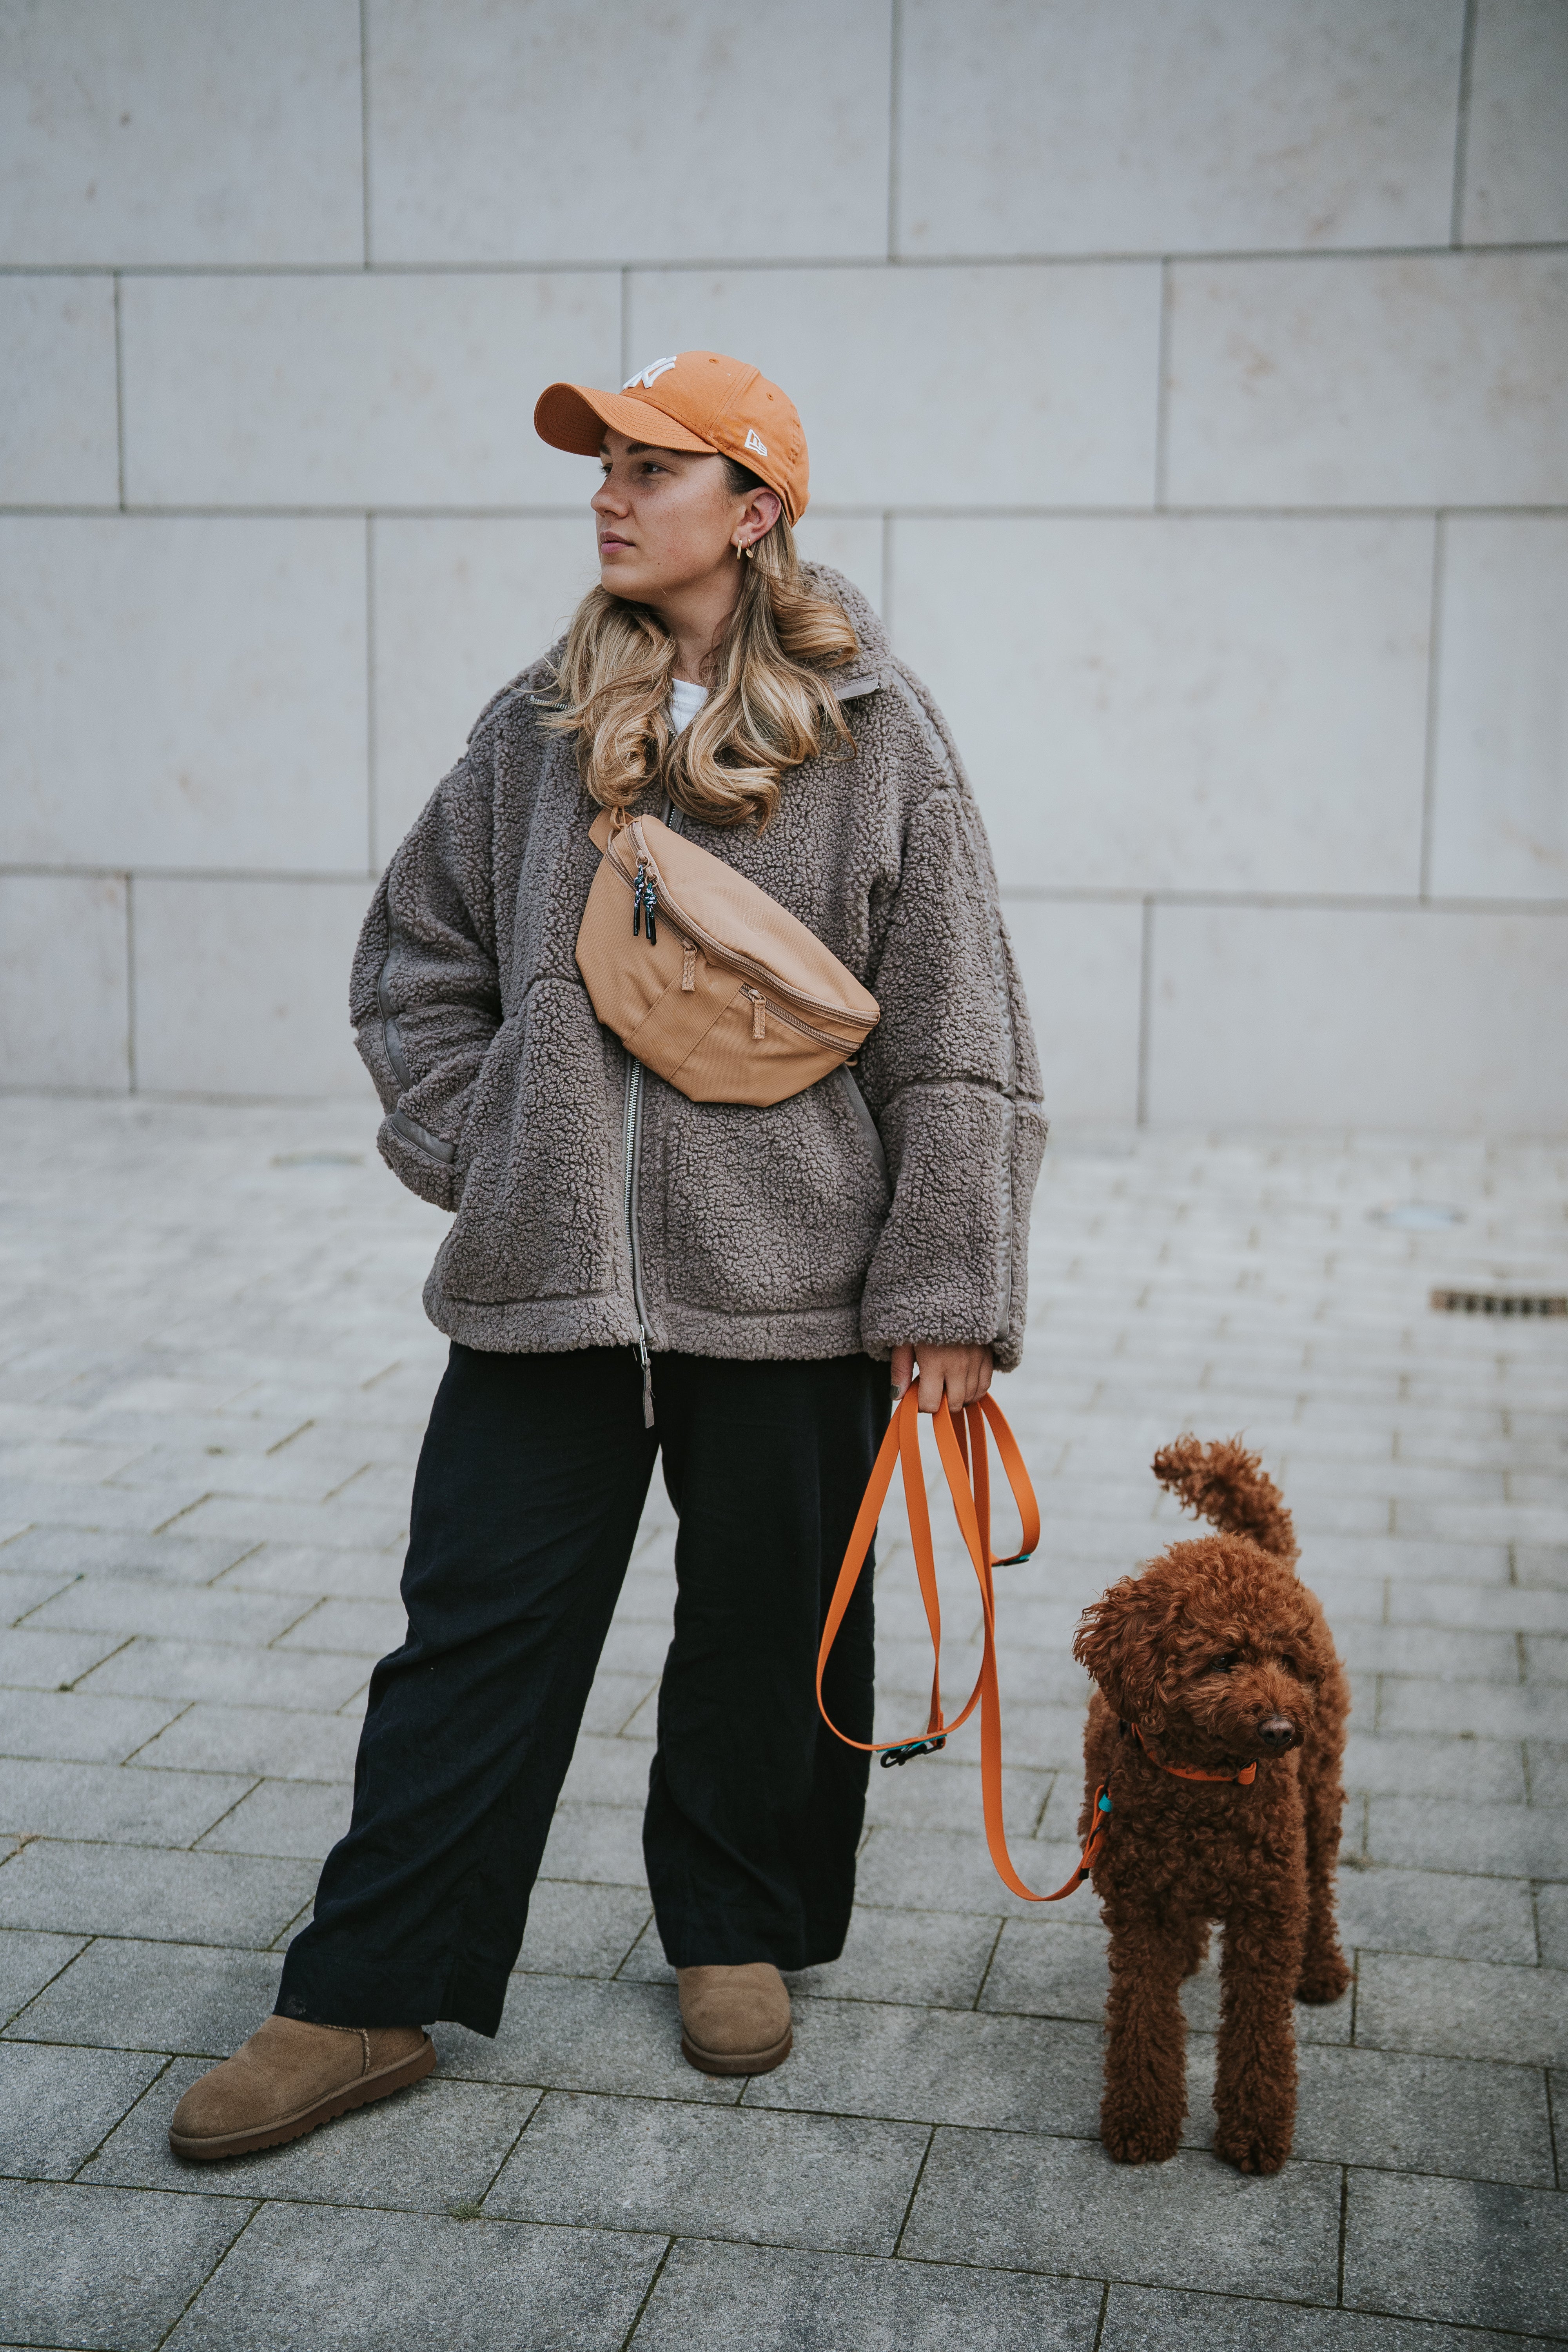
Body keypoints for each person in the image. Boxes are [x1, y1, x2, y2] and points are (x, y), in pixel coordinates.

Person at [167, 350, 1045, 2160]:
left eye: (654, 467)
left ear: (754, 508)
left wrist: (945, 1296)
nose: (608, 493)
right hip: (546, 1282)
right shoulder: (534, 728)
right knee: (468, 1627)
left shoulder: (875, 733)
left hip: (796, 1286)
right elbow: (415, 960)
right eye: (601, 464)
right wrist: (484, 1147)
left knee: (771, 1629)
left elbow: (957, 1032)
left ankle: (740, 1934)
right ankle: (361, 1989)